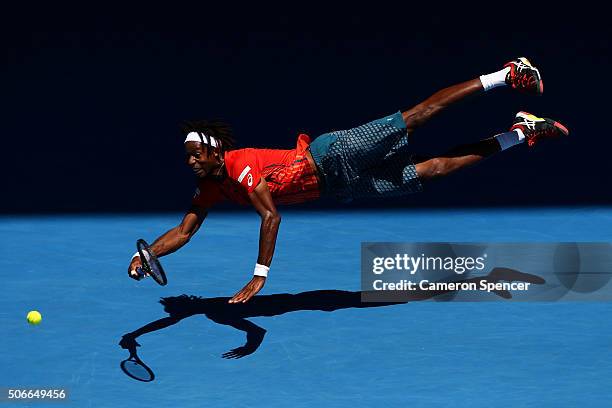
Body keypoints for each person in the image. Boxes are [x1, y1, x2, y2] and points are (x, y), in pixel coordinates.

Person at [127, 57, 569, 303]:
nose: (190, 162)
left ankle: (506, 74)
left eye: (195, 154)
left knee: (414, 119)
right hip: (338, 186)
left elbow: (271, 217)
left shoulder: (241, 167)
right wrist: (147, 254)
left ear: (213, 150)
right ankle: (521, 132)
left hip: (333, 153)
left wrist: (260, 274)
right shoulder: (209, 187)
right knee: (434, 169)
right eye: (187, 157)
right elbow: (184, 230)